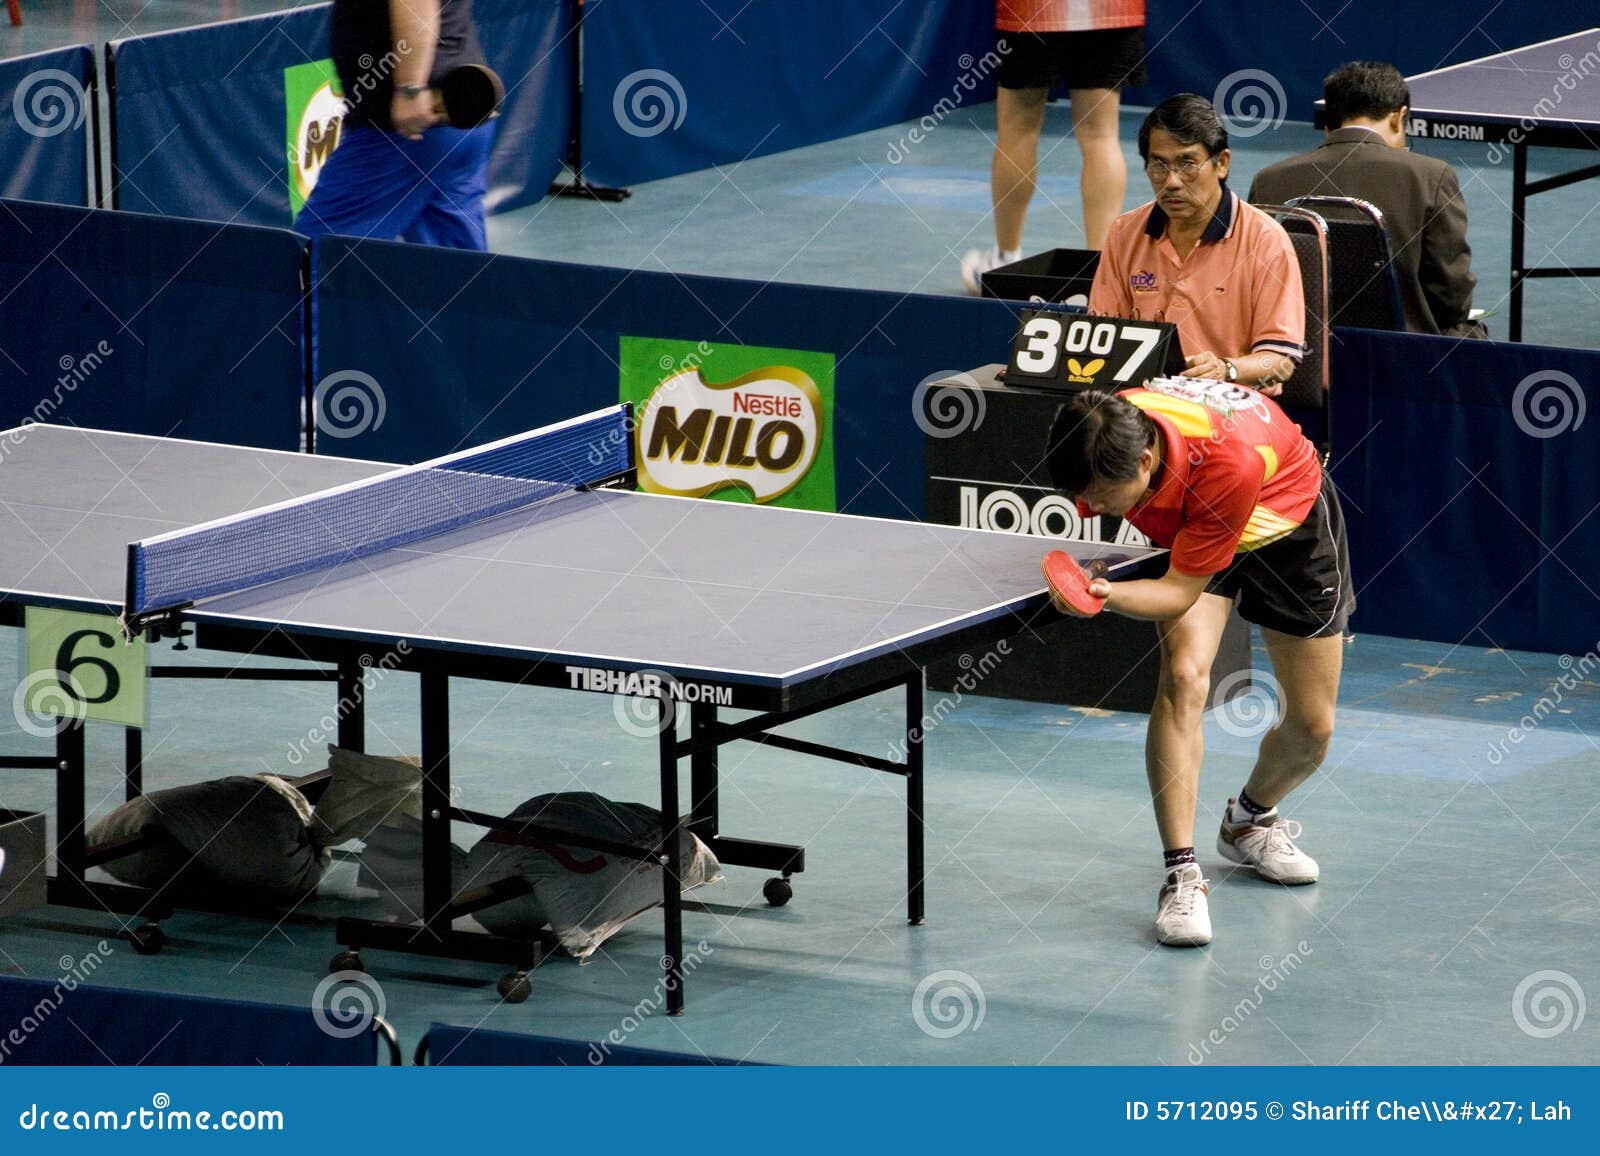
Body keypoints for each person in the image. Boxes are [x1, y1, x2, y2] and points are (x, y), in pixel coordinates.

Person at [1044, 380, 1353, 947]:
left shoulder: (1227, 462)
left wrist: (1101, 595)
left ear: (1144, 460)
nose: (1091, 509)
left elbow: (1177, 593)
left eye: (1103, 495)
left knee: (1313, 729)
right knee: (1184, 678)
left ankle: (1250, 819)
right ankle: (1182, 874)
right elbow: (1181, 579)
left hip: (1285, 528)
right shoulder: (1111, 423)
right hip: (1198, 524)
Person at [1249, 61, 1485, 338]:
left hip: (1298, 352)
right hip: (1401, 356)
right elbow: (1452, 300)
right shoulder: (1432, 176)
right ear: (1400, 117)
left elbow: (1254, 284)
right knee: (1469, 331)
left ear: (1327, 124)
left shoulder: (1268, 181)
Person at [1092, 94, 1305, 392]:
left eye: (1187, 163)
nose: (1172, 182)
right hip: (1143, 405)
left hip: (1232, 407)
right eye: (1159, 165)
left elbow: (1280, 360)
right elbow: (1101, 336)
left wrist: (1226, 368)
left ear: (1222, 164)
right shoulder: (1124, 232)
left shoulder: (1266, 240)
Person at [959, 0, 1147, 292]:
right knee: (1101, 135)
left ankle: (1005, 260)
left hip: (1032, 10)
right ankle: (1100, 274)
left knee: (1017, 130)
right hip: (1108, 10)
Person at [297, 0, 494, 250]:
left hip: (407, 131)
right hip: (457, 119)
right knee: (455, 269)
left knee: (317, 252)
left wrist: (411, 88)